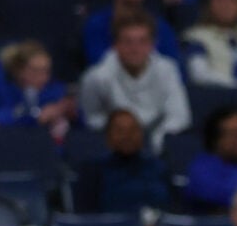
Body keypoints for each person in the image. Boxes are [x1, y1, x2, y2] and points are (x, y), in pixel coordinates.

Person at [78, 9, 190, 144]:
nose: (135, 49)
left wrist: (157, 139)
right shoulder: (96, 77)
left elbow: (179, 115)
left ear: (152, 45)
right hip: (114, 143)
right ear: (115, 45)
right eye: (127, 42)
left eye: (142, 41)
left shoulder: (167, 70)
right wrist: (119, 135)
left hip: (158, 138)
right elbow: (91, 117)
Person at [78, 110, 172, 219]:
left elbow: (173, 211)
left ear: (142, 134)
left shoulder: (158, 167)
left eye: (133, 130)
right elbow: (86, 218)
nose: (128, 136)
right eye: (120, 131)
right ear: (108, 137)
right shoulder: (93, 170)